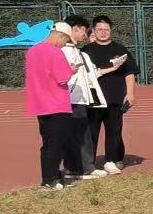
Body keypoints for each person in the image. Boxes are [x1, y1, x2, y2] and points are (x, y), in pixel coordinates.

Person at [26, 23, 79, 190]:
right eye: (65, 41)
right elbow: (62, 77)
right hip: (56, 103)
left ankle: (52, 175)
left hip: (40, 103)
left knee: (48, 142)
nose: (64, 45)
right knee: (57, 143)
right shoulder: (55, 52)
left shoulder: (32, 51)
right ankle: (50, 179)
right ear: (60, 36)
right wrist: (71, 70)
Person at [81, 16, 136, 174]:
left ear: (111, 30)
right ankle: (89, 163)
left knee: (114, 131)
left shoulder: (120, 49)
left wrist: (130, 93)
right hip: (93, 99)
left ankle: (111, 160)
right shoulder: (85, 51)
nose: (103, 32)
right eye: (99, 29)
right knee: (91, 132)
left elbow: (130, 72)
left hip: (115, 98)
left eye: (106, 29)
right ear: (94, 30)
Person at [61, 16, 100, 179]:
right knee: (79, 134)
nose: (85, 34)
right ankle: (80, 168)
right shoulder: (64, 51)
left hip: (80, 98)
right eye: (83, 30)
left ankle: (79, 167)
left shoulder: (76, 51)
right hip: (71, 99)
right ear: (74, 29)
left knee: (80, 133)